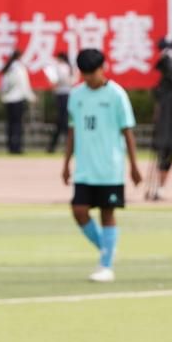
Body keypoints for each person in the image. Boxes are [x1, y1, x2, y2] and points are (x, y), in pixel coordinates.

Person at [62, 48, 142, 283]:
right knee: (79, 211)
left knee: (107, 214)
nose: (88, 78)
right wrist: (66, 163)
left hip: (110, 167)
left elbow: (127, 131)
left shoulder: (116, 95)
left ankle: (106, 266)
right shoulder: (76, 96)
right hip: (85, 168)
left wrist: (134, 166)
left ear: (102, 68)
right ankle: (107, 247)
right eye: (84, 74)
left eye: (91, 73)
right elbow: (72, 130)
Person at [150, 39, 172, 200]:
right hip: (166, 114)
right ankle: (160, 185)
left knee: (171, 146)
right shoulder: (162, 87)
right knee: (164, 145)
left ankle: (162, 184)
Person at [0, 50, 36, 154]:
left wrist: (3, 95)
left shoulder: (8, 68)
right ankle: (17, 147)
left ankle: (10, 147)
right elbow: (24, 85)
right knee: (17, 125)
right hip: (18, 99)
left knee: (10, 124)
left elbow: (3, 85)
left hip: (8, 100)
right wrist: (31, 97)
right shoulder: (19, 68)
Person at [47, 51, 75, 153]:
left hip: (63, 94)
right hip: (67, 94)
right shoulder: (69, 67)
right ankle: (61, 145)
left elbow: (59, 80)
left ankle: (65, 145)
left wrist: (54, 81)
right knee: (62, 120)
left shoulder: (61, 67)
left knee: (63, 120)